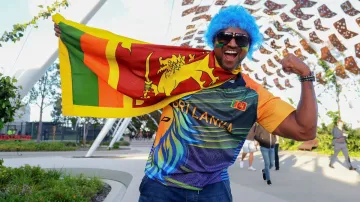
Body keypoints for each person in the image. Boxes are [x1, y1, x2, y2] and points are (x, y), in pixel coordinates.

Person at [54, 5, 317, 202]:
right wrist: (79, 39)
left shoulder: (252, 94)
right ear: (214, 39)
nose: (232, 43)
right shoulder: (182, 67)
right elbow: (129, 57)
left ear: (250, 45)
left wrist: (306, 75)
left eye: (241, 39)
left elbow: (304, 130)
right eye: (224, 36)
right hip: (161, 187)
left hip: (214, 189)